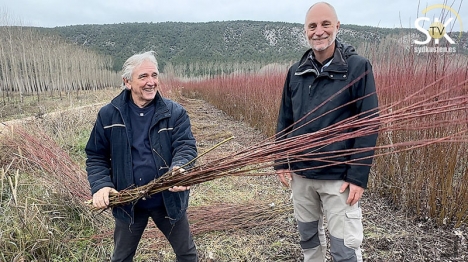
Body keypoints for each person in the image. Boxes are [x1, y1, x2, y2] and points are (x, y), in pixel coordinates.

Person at [275, 2, 379, 262]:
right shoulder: (295, 72)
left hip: (338, 178)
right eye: (312, 26)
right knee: (308, 240)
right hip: (302, 176)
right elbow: (285, 119)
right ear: (305, 31)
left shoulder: (357, 68)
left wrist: (358, 176)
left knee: (344, 249)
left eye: (325, 24)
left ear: (337, 27)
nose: (318, 32)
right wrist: (281, 161)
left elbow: (368, 123)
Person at [85, 51, 198, 262]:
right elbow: (96, 156)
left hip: (167, 200)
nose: (151, 82)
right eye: (143, 77)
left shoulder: (175, 113)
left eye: (154, 75)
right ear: (127, 82)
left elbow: (186, 146)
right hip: (128, 203)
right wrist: (101, 185)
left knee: (187, 254)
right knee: (121, 258)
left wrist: (181, 167)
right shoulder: (109, 115)